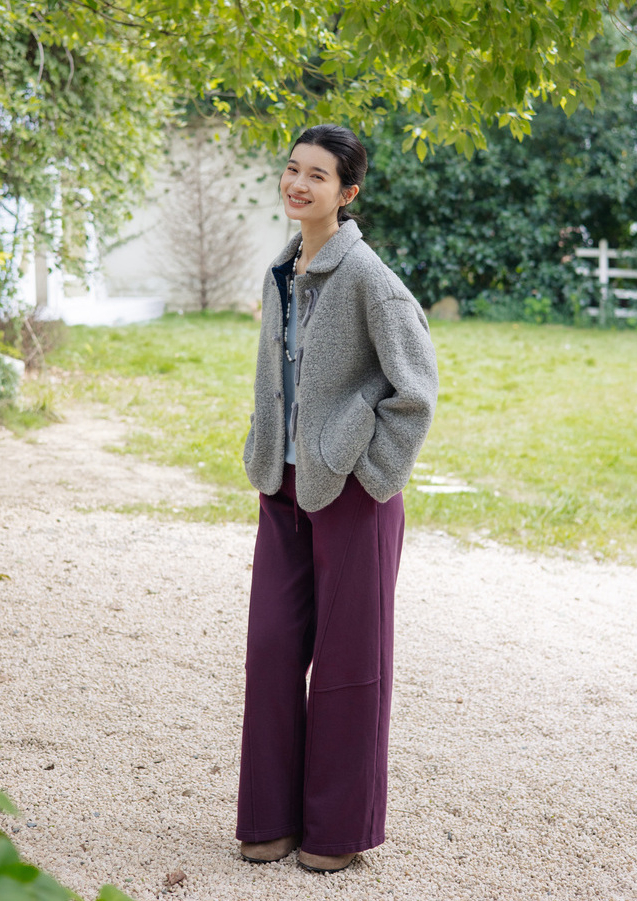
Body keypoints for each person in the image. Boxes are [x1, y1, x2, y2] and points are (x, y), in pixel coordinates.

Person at [236, 123, 439, 874]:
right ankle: (269, 819)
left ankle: (337, 831)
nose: (298, 184)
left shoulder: (369, 279)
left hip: (353, 494)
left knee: (351, 663)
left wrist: (372, 472)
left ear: (347, 193)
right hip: (282, 486)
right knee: (271, 649)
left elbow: (416, 391)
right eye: (293, 169)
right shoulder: (282, 270)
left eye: (316, 175)